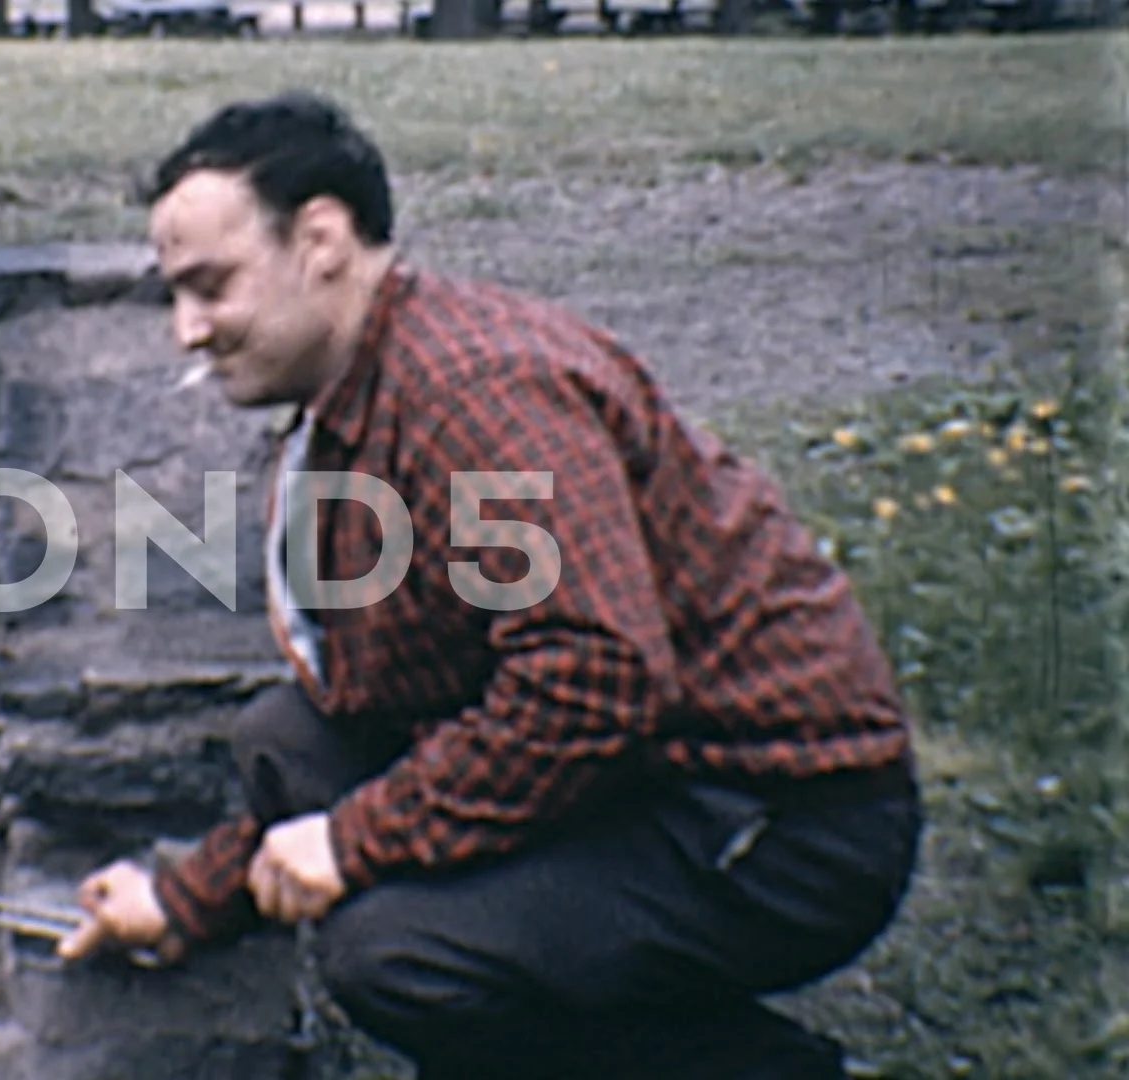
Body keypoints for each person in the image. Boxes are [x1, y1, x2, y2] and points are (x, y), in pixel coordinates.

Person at [54, 91, 922, 1080]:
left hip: (778, 823)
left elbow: (592, 682)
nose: (187, 332)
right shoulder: (361, 390)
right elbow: (396, 703)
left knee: (395, 954)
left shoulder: (473, 396)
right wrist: (189, 895)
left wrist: (353, 841)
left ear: (322, 240)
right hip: (643, 769)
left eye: (210, 287)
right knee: (289, 741)